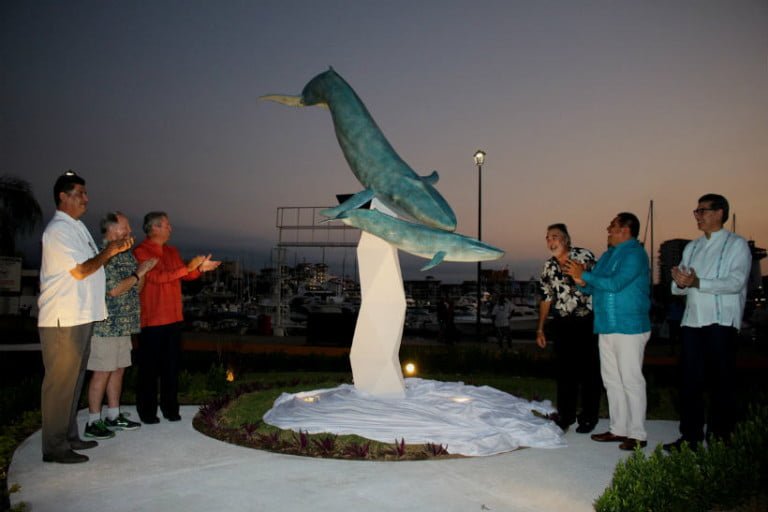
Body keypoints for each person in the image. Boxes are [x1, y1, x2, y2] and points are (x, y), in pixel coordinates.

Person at [37, 171, 133, 463]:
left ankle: (68, 436)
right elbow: (81, 270)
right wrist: (111, 250)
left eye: (86, 193)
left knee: (74, 381)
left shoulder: (77, 228)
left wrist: (110, 251)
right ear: (63, 197)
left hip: (81, 316)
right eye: (80, 193)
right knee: (60, 384)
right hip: (64, 319)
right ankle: (54, 447)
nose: (86, 198)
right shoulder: (58, 230)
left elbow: (92, 263)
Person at [663, 194, 751, 452]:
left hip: (721, 322)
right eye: (696, 211)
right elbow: (678, 289)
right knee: (690, 383)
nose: (698, 215)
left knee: (721, 383)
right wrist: (679, 281)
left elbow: (736, 282)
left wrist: (698, 282)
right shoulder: (692, 247)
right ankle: (689, 438)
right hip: (692, 323)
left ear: (720, 213)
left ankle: (719, 440)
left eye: (703, 210)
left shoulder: (737, 245)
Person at [565, 212, 651, 451]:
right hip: (606, 326)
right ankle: (618, 429)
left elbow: (615, 284)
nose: (608, 229)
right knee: (612, 380)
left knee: (631, 380)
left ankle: (637, 434)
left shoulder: (635, 254)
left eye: (612, 226)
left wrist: (585, 275)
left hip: (629, 327)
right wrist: (582, 282)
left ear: (625, 230)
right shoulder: (607, 256)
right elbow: (594, 287)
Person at [133, 211, 220, 424]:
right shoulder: (142, 252)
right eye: (166, 225)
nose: (170, 228)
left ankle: (170, 409)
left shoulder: (172, 251)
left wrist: (198, 269)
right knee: (149, 370)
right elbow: (156, 278)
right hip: (152, 320)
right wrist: (187, 268)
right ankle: (147, 411)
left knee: (171, 367)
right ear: (154, 228)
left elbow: (185, 275)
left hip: (173, 319)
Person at [84, 212, 158, 440]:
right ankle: (92, 421)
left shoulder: (126, 254)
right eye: (125, 228)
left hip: (124, 325)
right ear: (112, 230)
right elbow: (114, 289)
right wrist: (140, 272)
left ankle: (114, 416)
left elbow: (137, 287)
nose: (129, 232)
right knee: (101, 372)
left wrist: (141, 272)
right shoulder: (102, 254)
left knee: (118, 370)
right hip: (105, 326)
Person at [536, 223, 601, 434]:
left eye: (555, 236)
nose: (550, 241)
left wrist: (581, 277)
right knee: (565, 373)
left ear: (566, 239)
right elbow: (546, 298)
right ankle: (566, 415)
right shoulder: (548, 267)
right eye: (547, 237)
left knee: (589, 372)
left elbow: (598, 283)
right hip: (563, 323)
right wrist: (540, 329)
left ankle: (589, 417)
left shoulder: (583, 256)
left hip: (586, 321)